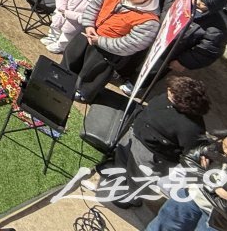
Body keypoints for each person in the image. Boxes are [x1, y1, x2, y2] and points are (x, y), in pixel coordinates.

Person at [81, 75, 209, 203]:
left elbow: (194, 154)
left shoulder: (192, 128)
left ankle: (131, 199)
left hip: (152, 155)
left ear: (182, 101)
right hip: (134, 135)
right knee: (121, 161)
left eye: (172, 92)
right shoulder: (167, 98)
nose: (168, 91)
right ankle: (113, 181)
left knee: (137, 177)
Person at [140, 130, 227, 231]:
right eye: (223, 145)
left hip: (218, 223)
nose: (221, 149)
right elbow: (189, 158)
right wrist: (212, 184)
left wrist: (208, 186)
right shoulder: (220, 148)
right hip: (189, 198)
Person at [62, 0, 160, 102]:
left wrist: (100, 41)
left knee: (92, 73)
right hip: (89, 33)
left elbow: (131, 44)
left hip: (109, 50)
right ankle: (61, 78)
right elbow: (93, 6)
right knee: (71, 57)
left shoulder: (150, 21)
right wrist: (89, 25)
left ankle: (82, 93)